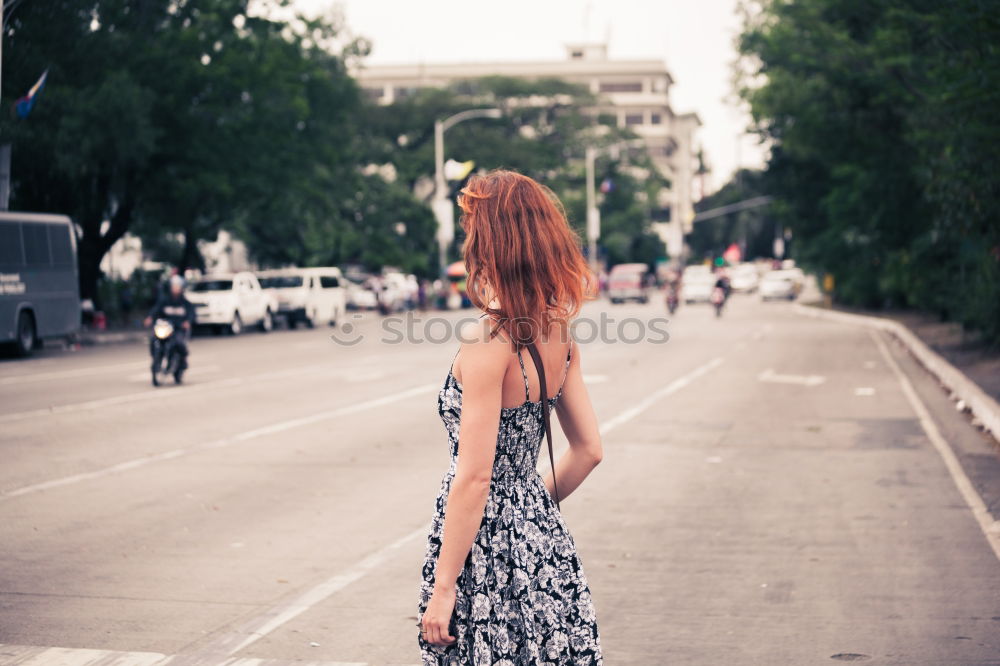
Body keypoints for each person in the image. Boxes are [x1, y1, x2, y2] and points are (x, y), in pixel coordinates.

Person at [418, 170, 604, 664]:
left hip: (483, 548)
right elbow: (589, 451)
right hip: (540, 536)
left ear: (491, 242)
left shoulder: (488, 340)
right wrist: (527, 505)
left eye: (471, 228)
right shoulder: (559, 332)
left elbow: (475, 477)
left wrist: (443, 587)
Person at [143, 274, 195, 372]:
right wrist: (150, 317)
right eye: (173, 286)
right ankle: (156, 359)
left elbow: (191, 314)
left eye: (177, 287)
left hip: (178, 329)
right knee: (154, 339)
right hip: (166, 327)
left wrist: (187, 322)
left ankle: (182, 362)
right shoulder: (165, 301)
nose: (175, 289)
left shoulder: (185, 303)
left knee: (180, 343)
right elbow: (156, 309)